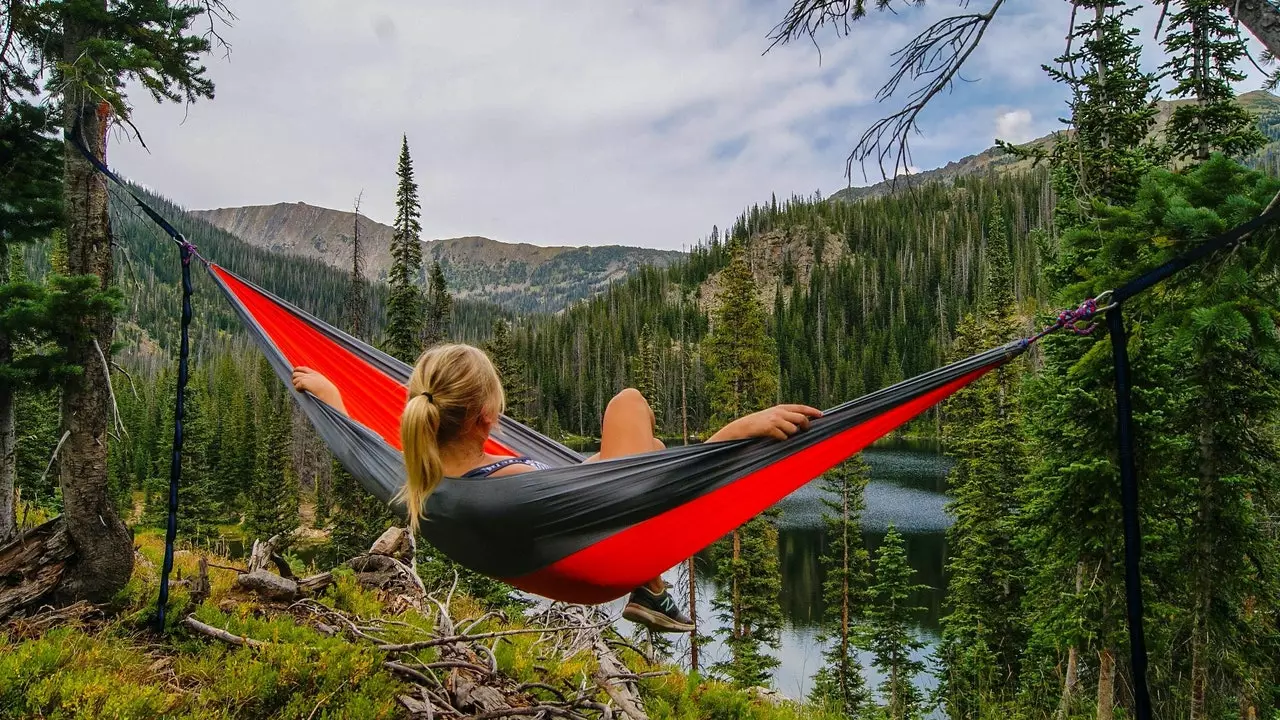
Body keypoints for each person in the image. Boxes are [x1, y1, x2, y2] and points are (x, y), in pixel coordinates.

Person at [292, 343, 821, 633]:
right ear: (486, 417)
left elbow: (364, 446)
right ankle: (650, 586)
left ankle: (653, 588)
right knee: (628, 403)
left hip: (564, 532)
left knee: (651, 447)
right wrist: (732, 437)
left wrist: (333, 398)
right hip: (599, 561)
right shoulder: (511, 487)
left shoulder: (417, 479)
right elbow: (649, 496)